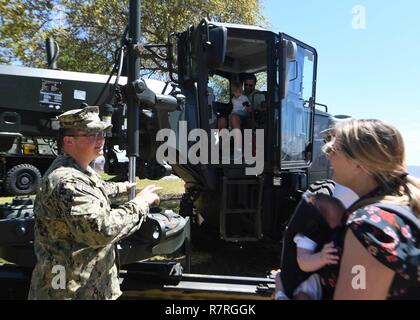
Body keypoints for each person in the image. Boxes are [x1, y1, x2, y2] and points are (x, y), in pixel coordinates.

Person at [28, 105, 161, 300]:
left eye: (102, 134)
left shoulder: (76, 168)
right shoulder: (68, 181)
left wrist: (121, 187)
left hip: (87, 286)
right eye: (92, 134)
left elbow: (94, 189)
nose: (100, 140)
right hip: (71, 291)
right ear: (69, 140)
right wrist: (140, 204)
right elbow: (102, 230)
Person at [322, 119, 420, 299]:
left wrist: (283, 295)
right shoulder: (405, 207)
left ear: (358, 163)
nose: (328, 156)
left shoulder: (368, 226)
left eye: (334, 150)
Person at [275, 192, 347, 300]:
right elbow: (303, 262)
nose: (340, 226)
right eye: (336, 221)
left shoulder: (320, 232)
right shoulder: (307, 235)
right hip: (300, 289)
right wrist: (322, 257)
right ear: (320, 218)